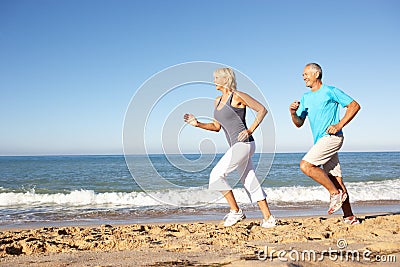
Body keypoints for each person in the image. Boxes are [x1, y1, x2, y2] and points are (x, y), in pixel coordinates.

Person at [184, 68, 276, 228]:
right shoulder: (217, 101)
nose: (213, 80)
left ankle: (236, 211)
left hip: (245, 144)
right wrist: (197, 124)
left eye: (216, 77)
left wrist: (250, 130)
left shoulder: (238, 96)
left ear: (225, 79)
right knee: (249, 180)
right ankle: (268, 218)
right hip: (237, 146)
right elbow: (216, 126)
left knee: (215, 176)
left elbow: (262, 110)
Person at [289, 63, 361, 225]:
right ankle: (349, 217)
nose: (304, 77)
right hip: (321, 141)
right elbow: (299, 123)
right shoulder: (305, 97)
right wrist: (293, 113)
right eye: (303, 75)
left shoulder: (330, 91)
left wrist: (339, 125)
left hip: (332, 138)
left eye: (306, 74)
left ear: (317, 74)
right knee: (337, 180)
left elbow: (354, 105)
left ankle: (334, 193)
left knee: (306, 166)